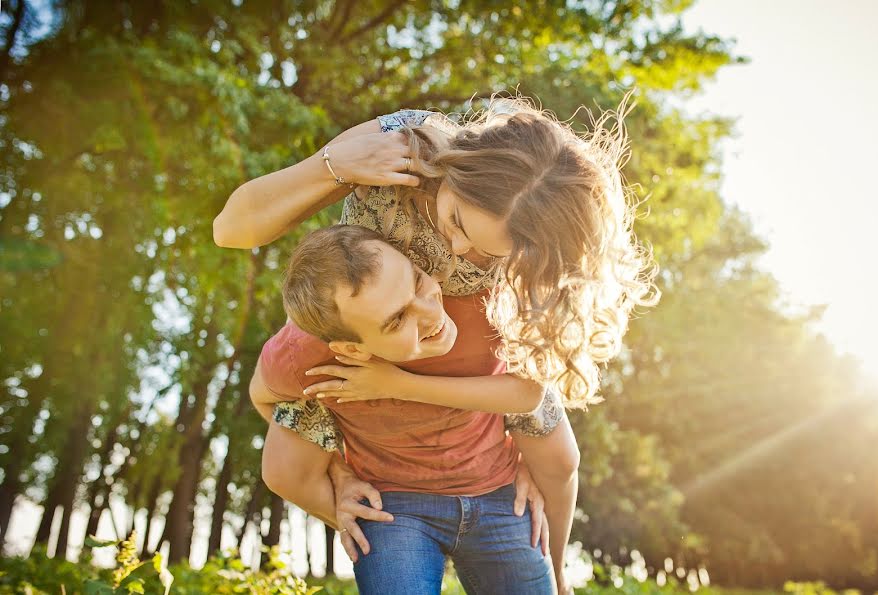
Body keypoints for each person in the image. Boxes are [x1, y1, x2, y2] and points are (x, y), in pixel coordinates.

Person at [217, 93, 658, 591]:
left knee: (557, 453)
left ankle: (557, 575)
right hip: (372, 311)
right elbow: (229, 228)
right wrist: (333, 166)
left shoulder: (529, 250)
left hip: (480, 349)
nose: (459, 253)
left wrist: (521, 449)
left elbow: (528, 389)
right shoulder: (401, 148)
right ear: (461, 170)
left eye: (490, 253)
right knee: (303, 408)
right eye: (458, 224)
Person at [252, 224, 566, 594]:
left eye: (417, 282)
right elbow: (263, 396)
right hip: (394, 504)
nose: (430, 312)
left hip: (498, 492)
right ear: (353, 350)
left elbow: (533, 392)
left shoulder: (484, 299)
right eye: (397, 320)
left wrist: (397, 384)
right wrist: (339, 473)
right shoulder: (304, 356)